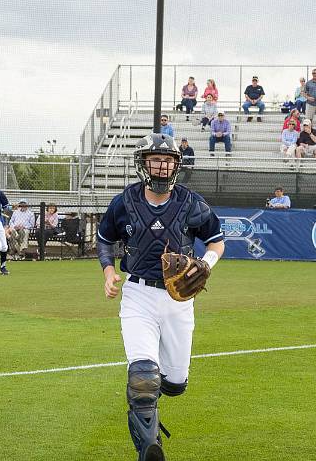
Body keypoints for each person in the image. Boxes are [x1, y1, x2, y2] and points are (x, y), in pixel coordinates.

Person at [96, 133, 224, 461]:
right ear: (144, 163)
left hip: (179, 300)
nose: (162, 167)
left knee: (176, 382)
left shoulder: (192, 202)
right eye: (156, 160)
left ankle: (156, 401)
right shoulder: (124, 202)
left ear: (176, 166)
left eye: (168, 161)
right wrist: (109, 272)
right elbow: (104, 241)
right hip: (137, 295)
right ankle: (149, 449)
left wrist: (205, 266)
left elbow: (216, 242)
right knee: (142, 378)